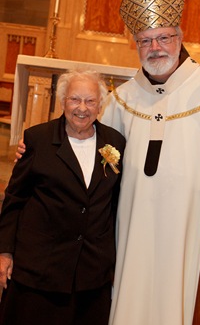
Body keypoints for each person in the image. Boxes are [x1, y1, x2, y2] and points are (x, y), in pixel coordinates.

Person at [16, 0, 200, 324]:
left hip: (192, 232)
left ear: (180, 37)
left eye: (164, 37)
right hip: (134, 232)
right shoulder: (121, 101)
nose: (156, 47)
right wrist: (34, 149)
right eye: (145, 40)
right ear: (135, 44)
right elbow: (81, 141)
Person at [0, 69, 125, 325]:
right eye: (74, 99)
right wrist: (4, 252)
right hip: (40, 270)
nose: (82, 108)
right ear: (62, 102)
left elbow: (115, 200)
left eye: (90, 101)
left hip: (91, 275)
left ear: (101, 105)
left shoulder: (115, 142)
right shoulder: (38, 139)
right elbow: (15, 199)